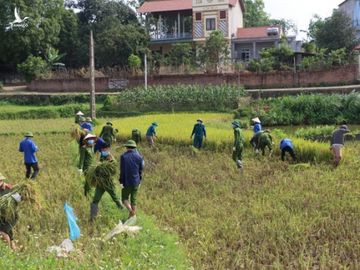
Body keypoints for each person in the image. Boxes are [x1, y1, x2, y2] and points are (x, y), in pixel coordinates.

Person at [90, 147, 123, 222]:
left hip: (109, 184)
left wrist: (108, 163)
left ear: (108, 150)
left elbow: (113, 172)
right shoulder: (101, 158)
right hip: (100, 184)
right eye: (103, 150)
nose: (104, 151)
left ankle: (123, 212)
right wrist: (98, 167)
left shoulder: (112, 162)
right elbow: (96, 170)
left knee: (115, 198)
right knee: (95, 199)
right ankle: (92, 217)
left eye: (105, 150)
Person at [119, 140, 144, 218]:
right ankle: (132, 217)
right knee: (134, 199)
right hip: (136, 181)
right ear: (134, 147)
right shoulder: (139, 157)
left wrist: (121, 181)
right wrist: (140, 180)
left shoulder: (123, 157)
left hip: (127, 181)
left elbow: (122, 170)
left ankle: (131, 212)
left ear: (126, 147)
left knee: (124, 198)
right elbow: (141, 169)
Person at [0, 174, 19, 250]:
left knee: (2, 233)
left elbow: (18, 199)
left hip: (11, 216)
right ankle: (14, 255)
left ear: (2, 180)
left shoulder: (10, 188)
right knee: (11, 239)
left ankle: (7, 252)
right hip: (2, 217)